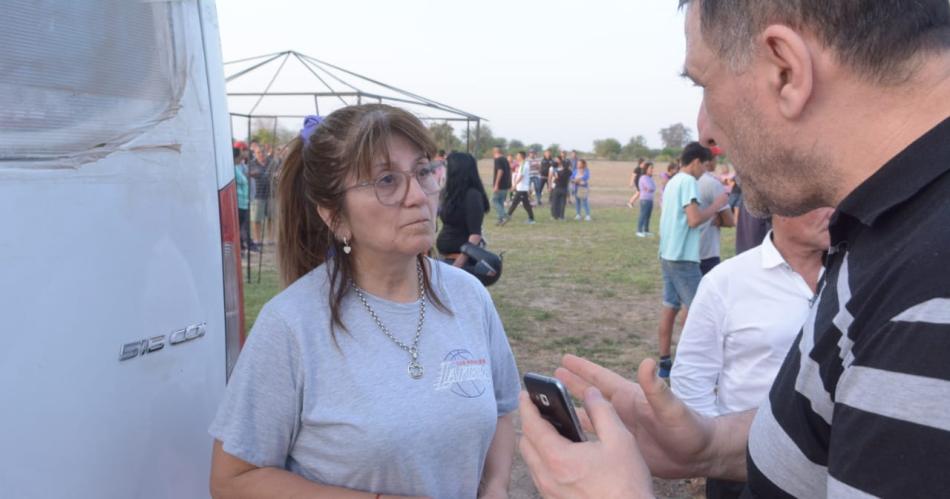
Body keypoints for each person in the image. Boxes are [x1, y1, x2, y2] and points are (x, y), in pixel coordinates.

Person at [519, 0, 950, 497]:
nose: (705, 130)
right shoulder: (890, 226)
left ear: (785, 70)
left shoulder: (933, 290)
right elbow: (845, 424)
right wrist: (710, 446)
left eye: (703, 83)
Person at [209, 105, 520, 499]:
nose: (417, 196)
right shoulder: (292, 325)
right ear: (335, 216)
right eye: (387, 180)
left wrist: (495, 485)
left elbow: (502, 409)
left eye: (423, 171)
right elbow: (231, 479)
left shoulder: (469, 296)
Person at [671, 207, 831, 498]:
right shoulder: (727, 281)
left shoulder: (856, 277)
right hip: (744, 465)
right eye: (819, 201)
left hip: (831, 467)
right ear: (779, 204)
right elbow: (693, 372)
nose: (834, 211)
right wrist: (714, 449)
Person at [655, 143, 729, 377]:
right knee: (701, 312)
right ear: (696, 161)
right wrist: (716, 207)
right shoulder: (688, 182)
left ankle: (665, 363)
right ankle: (693, 367)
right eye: (705, 167)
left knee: (670, 307)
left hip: (668, 253)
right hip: (684, 257)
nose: (704, 172)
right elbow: (694, 219)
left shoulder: (673, 181)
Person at [437, 152, 490, 270]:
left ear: (456, 169)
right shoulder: (450, 193)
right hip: (444, 257)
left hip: (459, 261)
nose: (444, 170)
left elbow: (475, 235)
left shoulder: (472, 195)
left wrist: (458, 264)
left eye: (447, 166)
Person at [697, 154, 735, 274]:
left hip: (685, 253)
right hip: (707, 250)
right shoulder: (713, 183)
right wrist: (717, 215)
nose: (716, 161)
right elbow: (729, 220)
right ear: (708, 161)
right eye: (715, 158)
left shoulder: (680, 180)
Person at [504, 151, 535, 224]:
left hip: (522, 188)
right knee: (526, 205)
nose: (516, 157)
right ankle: (531, 219)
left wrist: (514, 185)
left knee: (514, 203)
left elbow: (521, 176)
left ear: (521, 156)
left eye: (517, 156)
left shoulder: (524, 165)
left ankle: (507, 217)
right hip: (522, 188)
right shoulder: (522, 164)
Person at [233, 147, 251, 251]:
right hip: (238, 203)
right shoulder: (231, 169)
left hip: (243, 203)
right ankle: (239, 247)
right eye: (240, 154)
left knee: (241, 227)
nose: (242, 156)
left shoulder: (237, 168)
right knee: (238, 227)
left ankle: (241, 246)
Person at [491, 147, 512, 225]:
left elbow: (500, 171)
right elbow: (509, 171)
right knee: (500, 202)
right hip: (506, 184)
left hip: (500, 185)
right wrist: (510, 183)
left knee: (494, 201)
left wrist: (496, 184)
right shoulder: (505, 159)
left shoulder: (498, 159)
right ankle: (501, 220)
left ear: (494, 152)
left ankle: (505, 216)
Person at [635, 162, 656, 237]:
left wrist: (649, 188)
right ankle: (639, 231)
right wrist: (649, 188)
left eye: (652, 168)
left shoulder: (649, 178)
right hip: (644, 200)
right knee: (643, 215)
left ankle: (646, 230)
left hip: (650, 199)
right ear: (646, 169)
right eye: (651, 168)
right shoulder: (643, 177)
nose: (652, 170)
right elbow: (650, 187)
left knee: (648, 216)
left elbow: (653, 187)